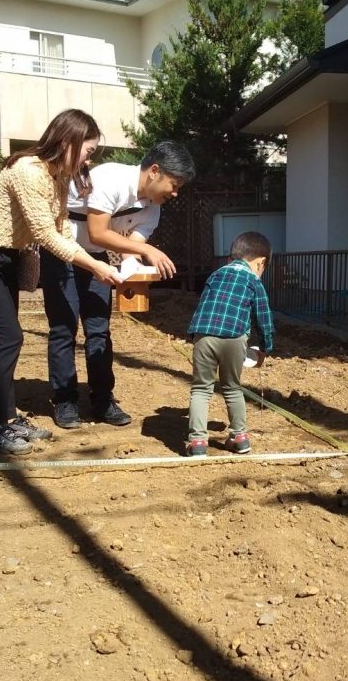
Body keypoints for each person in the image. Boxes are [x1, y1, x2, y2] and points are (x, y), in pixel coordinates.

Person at [0, 109, 122, 456]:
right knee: (7, 339)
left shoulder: (58, 178)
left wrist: (95, 265)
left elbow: (60, 231)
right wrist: (96, 267)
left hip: (3, 260)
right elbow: (44, 233)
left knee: (6, 340)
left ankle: (7, 418)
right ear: (67, 141)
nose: (90, 158)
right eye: (88, 150)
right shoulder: (28, 170)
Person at [40, 141, 195, 429]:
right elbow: (98, 233)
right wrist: (150, 252)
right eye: (173, 185)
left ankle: (102, 400)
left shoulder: (153, 207)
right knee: (63, 328)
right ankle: (65, 400)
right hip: (62, 253)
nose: (174, 193)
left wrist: (133, 264)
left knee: (99, 329)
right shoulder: (111, 178)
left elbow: (131, 246)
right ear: (154, 171)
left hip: (96, 260)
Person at [185, 231, 275, 457]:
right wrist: (265, 349)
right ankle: (240, 437)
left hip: (203, 335)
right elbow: (263, 319)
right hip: (234, 338)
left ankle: (197, 442)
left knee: (201, 388)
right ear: (261, 262)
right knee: (232, 387)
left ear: (231, 259)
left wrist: (193, 336)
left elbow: (204, 305)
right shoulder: (253, 281)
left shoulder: (215, 275)